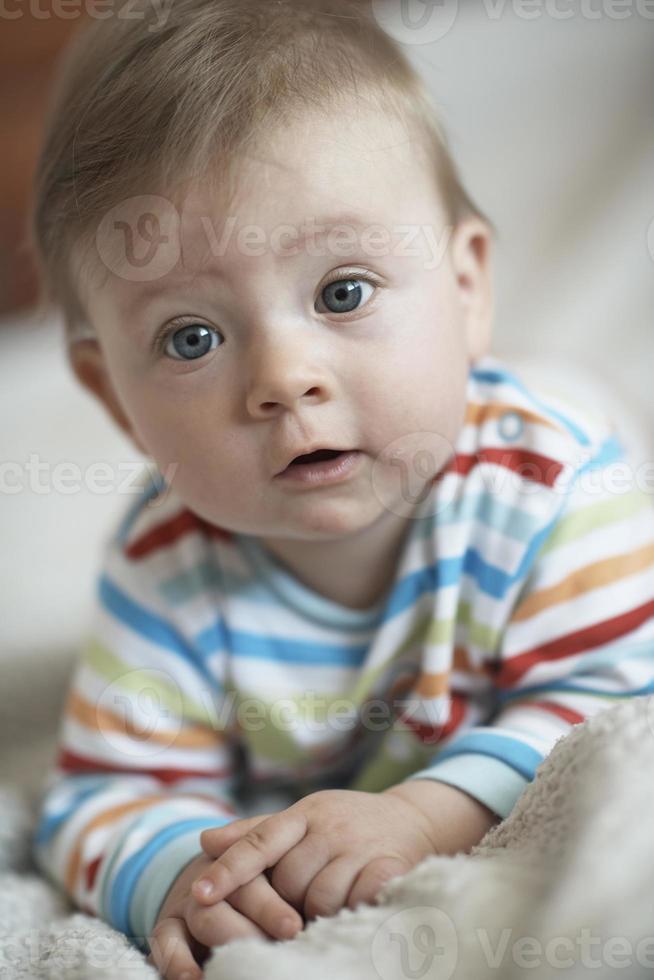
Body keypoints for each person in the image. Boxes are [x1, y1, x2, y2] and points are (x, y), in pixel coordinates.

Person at [28, 1, 654, 978]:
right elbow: (102, 794)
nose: (285, 375)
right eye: (191, 336)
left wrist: (420, 812)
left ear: (466, 288)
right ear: (114, 394)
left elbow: (617, 693)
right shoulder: (166, 566)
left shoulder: (552, 488)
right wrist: (191, 878)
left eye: (343, 291)